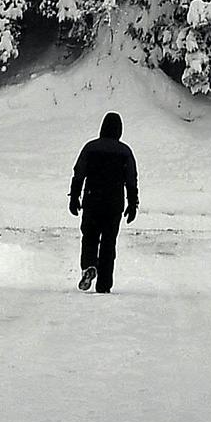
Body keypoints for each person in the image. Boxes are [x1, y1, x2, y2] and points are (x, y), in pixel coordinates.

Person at [68, 111, 142, 292]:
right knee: (109, 242)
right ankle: (104, 284)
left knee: (89, 237)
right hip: (114, 204)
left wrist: (74, 196)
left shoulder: (90, 148)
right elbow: (131, 180)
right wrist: (133, 204)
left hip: (92, 201)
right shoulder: (125, 151)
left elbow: (79, 173)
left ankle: (89, 265)